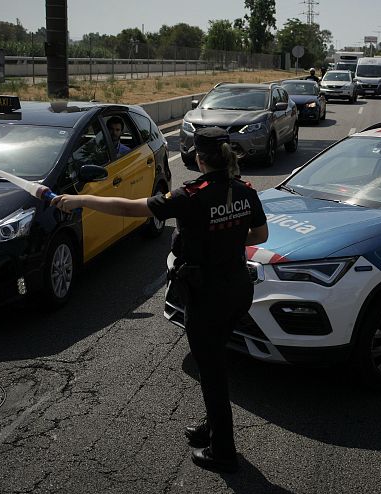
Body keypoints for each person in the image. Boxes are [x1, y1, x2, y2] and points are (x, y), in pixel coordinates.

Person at [44, 127, 268, 474]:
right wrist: (227, 238)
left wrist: (81, 200)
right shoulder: (245, 191)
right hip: (237, 289)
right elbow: (260, 234)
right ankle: (213, 427)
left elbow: (133, 209)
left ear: (198, 158)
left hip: (207, 297)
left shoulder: (191, 196)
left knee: (212, 372)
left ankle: (223, 451)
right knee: (216, 359)